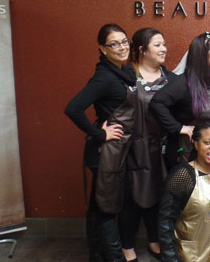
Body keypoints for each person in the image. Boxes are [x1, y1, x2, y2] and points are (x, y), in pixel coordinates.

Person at [65, 23, 137, 261]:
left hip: (115, 152)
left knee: (99, 207)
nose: (121, 47)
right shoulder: (104, 77)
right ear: (103, 49)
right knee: (106, 208)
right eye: (114, 44)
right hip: (104, 152)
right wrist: (101, 134)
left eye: (124, 41)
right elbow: (73, 108)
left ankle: (97, 256)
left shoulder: (122, 72)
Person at [119, 27, 176, 260]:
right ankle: (126, 245)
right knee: (131, 198)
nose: (164, 49)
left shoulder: (170, 79)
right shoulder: (126, 75)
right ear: (142, 50)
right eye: (158, 44)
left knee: (160, 196)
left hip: (160, 150)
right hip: (131, 150)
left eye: (164, 44)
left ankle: (154, 240)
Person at [150, 31, 210, 169]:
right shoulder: (184, 82)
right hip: (195, 156)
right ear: (204, 56)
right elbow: (157, 103)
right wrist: (179, 128)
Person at [158, 120, 210, 262]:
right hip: (193, 255)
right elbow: (165, 221)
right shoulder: (183, 175)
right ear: (196, 144)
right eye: (207, 142)